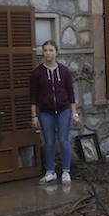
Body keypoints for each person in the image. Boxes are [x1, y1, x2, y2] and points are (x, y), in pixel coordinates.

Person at [30, 40, 79, 184]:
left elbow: (71, 93)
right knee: (49, 142)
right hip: (45, 112)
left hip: (63, 111)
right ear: (42, 53)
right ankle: (50, 171)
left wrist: (74, 113)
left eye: (51, 50)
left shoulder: (64, 71)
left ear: (56, 52)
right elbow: (33, 95)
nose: (48, 53)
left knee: (64, 141)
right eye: (45, 50)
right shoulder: (37, 73)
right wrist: (34, 116)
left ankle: (66, 171)